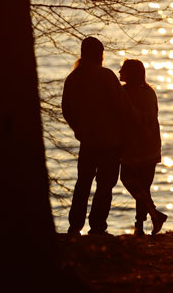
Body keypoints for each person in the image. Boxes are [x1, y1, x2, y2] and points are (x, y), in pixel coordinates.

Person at [62, 36, 125, 235]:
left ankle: (75, 225)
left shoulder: (73, 78)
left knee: (83, 182)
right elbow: (121, 106)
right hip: (110, 140)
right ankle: (97, 226)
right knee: (105, 184)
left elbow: (66, 109)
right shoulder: (106, 76)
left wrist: (78, 129)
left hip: (87, 140)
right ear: (100, 54)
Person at [118, 58, 166, 235]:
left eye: (122, 69)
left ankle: (150, 218)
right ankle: (142, 224)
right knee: (142, 187)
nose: (119, 72)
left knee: (130, 181)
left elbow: (131, 118)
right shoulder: (149, 92)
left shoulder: (126, 93)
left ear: (130, 74)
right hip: (150, 146)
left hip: (136, 147)